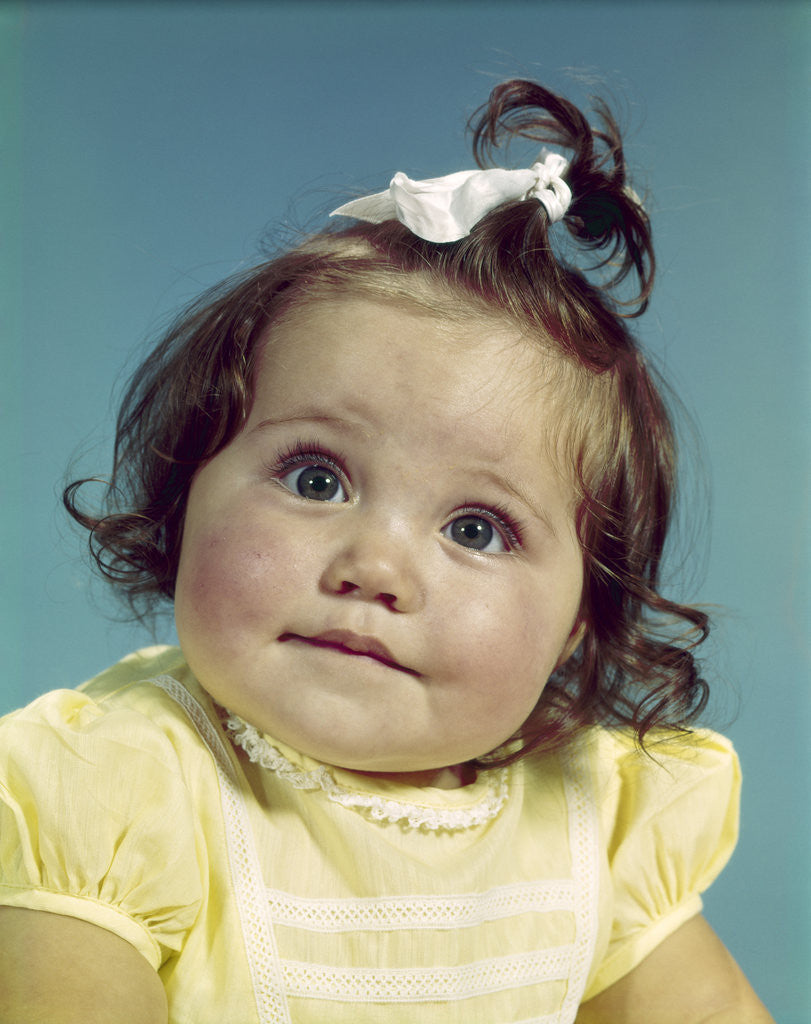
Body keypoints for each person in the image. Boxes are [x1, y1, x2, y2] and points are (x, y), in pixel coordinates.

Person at [0, 79, 774, 1023]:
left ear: (578, 623)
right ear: (185, 484)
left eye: (475, 529)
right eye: (315, 478)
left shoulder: (598, 827)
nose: (374, 567)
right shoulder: (112, 797)